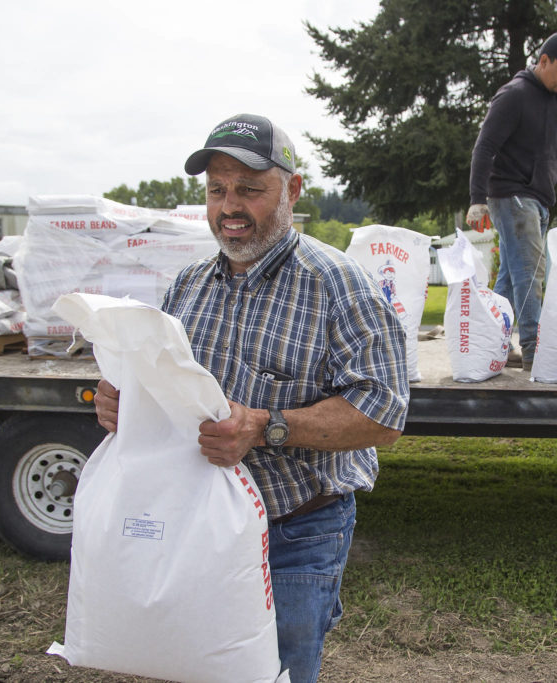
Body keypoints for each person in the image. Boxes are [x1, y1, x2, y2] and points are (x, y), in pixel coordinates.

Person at [93, 113, 410, 683]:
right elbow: (167, 387)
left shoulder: (339, 285)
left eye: (249, 189)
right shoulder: (188, 285)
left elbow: (384, 413)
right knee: (195, 665)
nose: (229, 206)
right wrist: (125, 399)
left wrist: (265, 426)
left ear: (291, 190)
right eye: (217, 190)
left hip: (292, 534)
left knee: (278, 673)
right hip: (195, 523)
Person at [466, 31, 557, 371]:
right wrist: (478, 199)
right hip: (511, 196)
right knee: (532, 273)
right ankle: (536, 351)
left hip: (540, 200)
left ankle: (491, 343)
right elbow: (484, 146)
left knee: (510, 277)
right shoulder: (514, 96)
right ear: (543, 61)